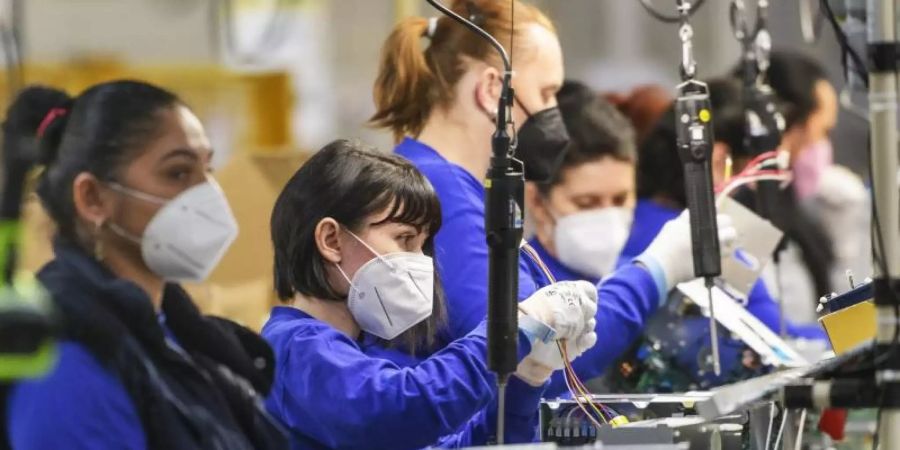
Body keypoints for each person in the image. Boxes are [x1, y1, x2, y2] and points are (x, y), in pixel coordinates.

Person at [369, 0, 735, 398]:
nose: (553, 114)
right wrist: (658, 269)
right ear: (493, 90)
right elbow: (535, 356)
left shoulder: (453, 186)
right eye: (546, 93)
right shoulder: (441, 195)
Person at [2, 81, 287, 449]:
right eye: (178, 173)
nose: (209, 195)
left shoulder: (181, 336)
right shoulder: (70, 357)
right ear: (92, 198)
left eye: (208, 169)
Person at [263, 139, 599, 449]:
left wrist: (526, 380)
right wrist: (512, 328)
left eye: (424, 246)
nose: (421, 262)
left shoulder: (362, 354)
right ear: (332, 241)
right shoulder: (293, 350)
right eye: (405, 239)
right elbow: (402, 410)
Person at [629, 77, 826, 340]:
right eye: (761, 169)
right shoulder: (707, 238)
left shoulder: (632, 223)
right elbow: (777, 336)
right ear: (720, 160)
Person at [763, 51, 869, 319]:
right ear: (790, 125)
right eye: (822, 132)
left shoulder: (796, 212)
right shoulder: (755, 208)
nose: (824, 147)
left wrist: (848, 247)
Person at [524, 80, 637, 285]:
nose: (608, 216)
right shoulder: (518, 290)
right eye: (586, 203)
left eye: (620, 200)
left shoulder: (634, 279)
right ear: (537, 201)